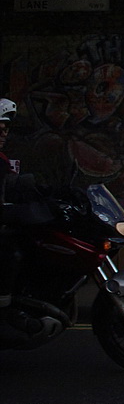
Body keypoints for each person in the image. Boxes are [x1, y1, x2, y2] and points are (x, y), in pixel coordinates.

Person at [0, 98, 44, 339]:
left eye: (5, 129)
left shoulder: (2, 160)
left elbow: (12, 188)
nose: (4, 133)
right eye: (0, 128)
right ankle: (5, 312)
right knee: (12, 253)